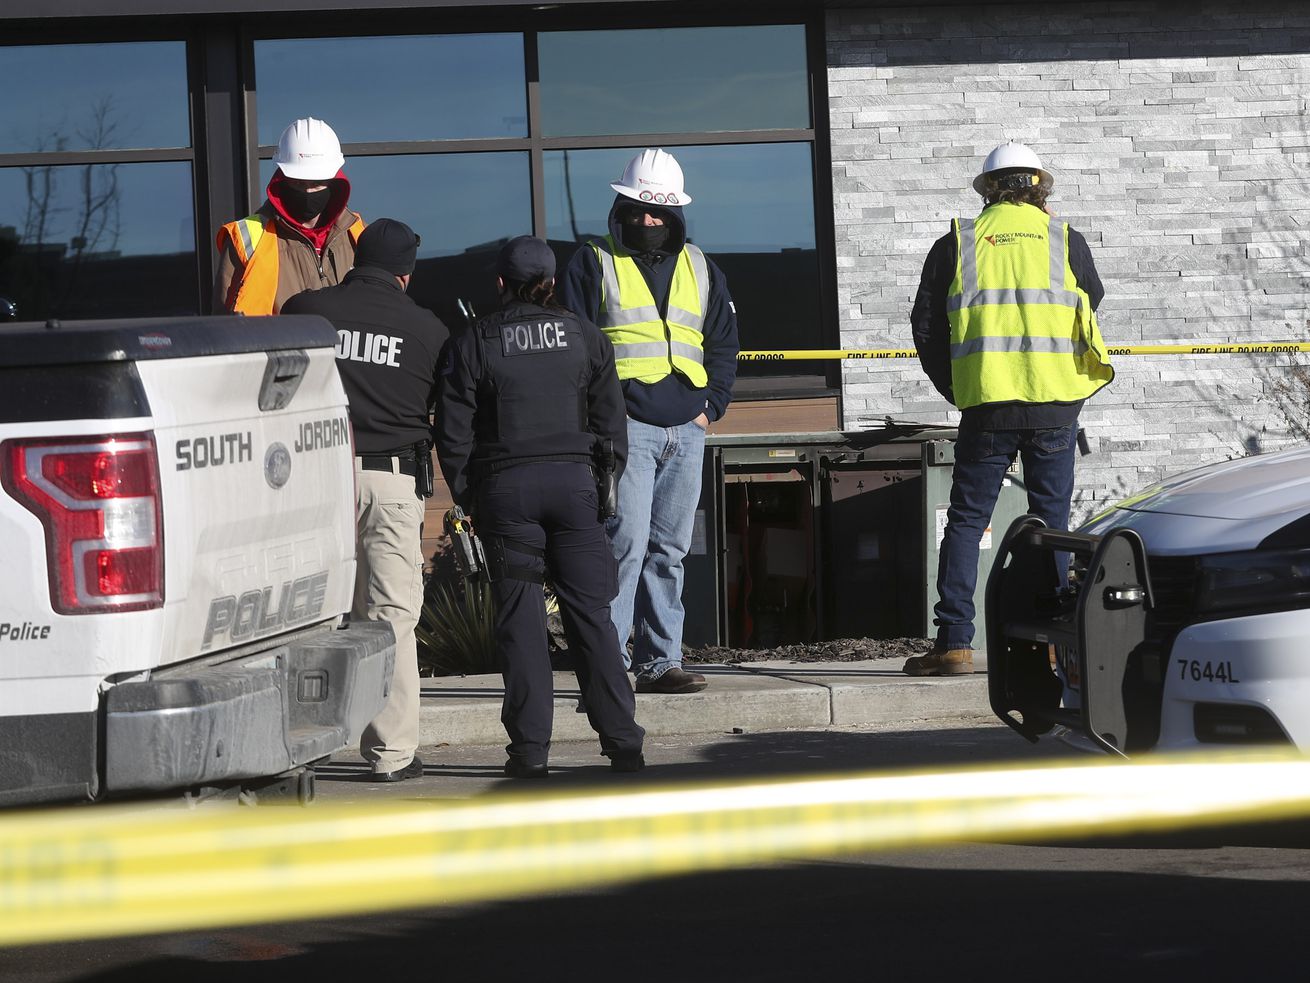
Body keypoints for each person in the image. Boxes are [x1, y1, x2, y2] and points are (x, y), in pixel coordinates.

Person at [435, 235, 645, 778]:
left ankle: (530, 753)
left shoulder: (475, 340)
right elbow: (611, 424)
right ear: (551, 283)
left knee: (521, 624)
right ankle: (624, 744)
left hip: (507, 492)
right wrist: (603, 485)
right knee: (591, 616)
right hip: (575, 488)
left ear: (500, 283)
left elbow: (453, 431)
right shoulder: (586, 336)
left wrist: (470, 494)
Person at [906, 141, 1114, 677]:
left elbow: (926, 325)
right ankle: (1052, 641)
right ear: (1040, 188)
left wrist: (959, 387)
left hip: (988, 405)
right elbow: (1090, 301)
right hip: (1055, 404)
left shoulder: (958, 242)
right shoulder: (1064, 239)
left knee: (966, 522)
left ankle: (954, 643)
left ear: (988, 190)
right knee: (1053, 524)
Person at [559, 148, 739, 695]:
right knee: (624, 545)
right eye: (637, 209)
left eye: (657, 212)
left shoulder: (701, 266)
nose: (646, 220)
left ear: (674, 213)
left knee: (670, 552)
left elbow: (723, 343)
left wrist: (710, 408)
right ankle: (609, 666)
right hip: (625, 429)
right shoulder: (592, 260)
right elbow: (574, 346)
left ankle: (660, 661)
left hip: (687, 427)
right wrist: (599, 419)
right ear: (621, 207)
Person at [282, 218, 448, 781]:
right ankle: (390, 754)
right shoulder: (428, 330)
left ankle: (301, 746)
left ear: (356, 260)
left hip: (316, 480)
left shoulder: (305, 310)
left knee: (310, 614)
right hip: (392, 481)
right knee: (391, 617)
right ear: (406, 275)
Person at [214, 117, 364, 315]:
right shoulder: (245, 239)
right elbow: (224, 322)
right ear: (283, 180)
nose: (308, 191)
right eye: (299, 183)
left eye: (316, 183)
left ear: (334, 182)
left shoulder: (357, 234)